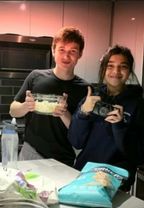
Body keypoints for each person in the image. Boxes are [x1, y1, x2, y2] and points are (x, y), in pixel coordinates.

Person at [68, 45, 144, 191]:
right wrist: (83, 113)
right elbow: (76, 142)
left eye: (123, 67)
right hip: (84, 175)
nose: (116, 72)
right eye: (110, 66)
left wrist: (119, 127)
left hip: (115, 181)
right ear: (103, 69)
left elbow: (141, 156)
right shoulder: (91, 99)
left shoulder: (140, 106)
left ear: (129, 71)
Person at [9, 26, 88, 166]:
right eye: (61, 49)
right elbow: (13, 110)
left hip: (63, 159)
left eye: (73, 51)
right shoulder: (35, 76)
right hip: (31, 154)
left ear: (80, 54)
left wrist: (65, 114)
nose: (66, 56)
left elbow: (80, 133)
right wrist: (25, 106)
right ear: (53, 51)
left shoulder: (85, 89)